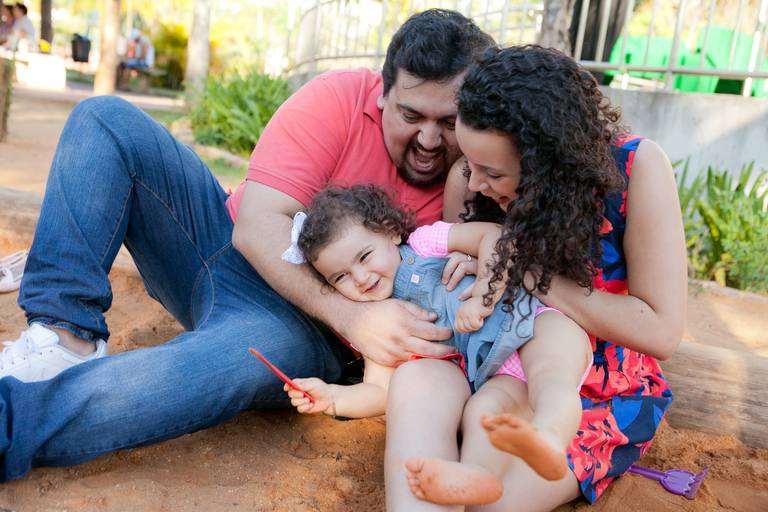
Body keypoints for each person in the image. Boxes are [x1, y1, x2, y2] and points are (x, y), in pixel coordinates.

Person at [0, 9, 495, 482]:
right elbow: (256, 225)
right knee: (106, 119)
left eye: (449, 122)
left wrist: (350, 322)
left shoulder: (482, 170)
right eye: (411, 114)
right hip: (221, 241)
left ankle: (8, 425)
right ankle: (63, 337)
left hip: (303, 329)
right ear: (383, 94)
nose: (429, 139)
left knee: (218, 362)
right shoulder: (339, 98)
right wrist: (354, 317)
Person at [385, 45, 686, 510]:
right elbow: (457, 269)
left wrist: (522, 269)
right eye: (470, 163)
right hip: (485, 354)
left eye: (493, 172)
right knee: (417, 386)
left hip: (591, 382)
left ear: (550, 166)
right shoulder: (470, 173)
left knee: (493, 505)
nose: (474, 182)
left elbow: (661, 329)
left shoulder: (637, 169)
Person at [283, 185, 591, 501]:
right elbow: (379, 392)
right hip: (500, 374)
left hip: (537, 323)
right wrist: (332, 397)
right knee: (484, 414)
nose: (360, 277)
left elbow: (493, 236)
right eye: (341, 277)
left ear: (390, 233)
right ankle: (477, 475)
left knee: (551, 377)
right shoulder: (380, 327)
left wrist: (484, 292)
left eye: (364, 256)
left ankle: (551, 439)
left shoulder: (425, 243)